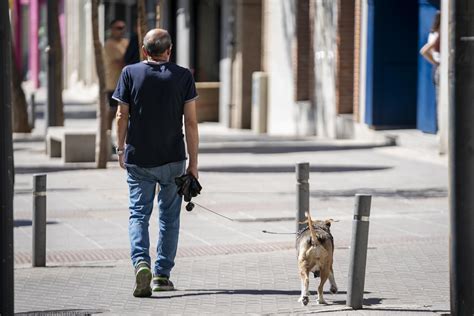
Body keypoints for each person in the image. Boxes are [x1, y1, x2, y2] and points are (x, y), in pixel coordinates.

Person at [112, 28, 199, 297]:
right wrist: (193, 164)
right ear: (169, 51)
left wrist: (120, 148)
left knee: (139, 214)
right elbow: (191, 122)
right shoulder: (183, 76)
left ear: (144, 51)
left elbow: (120, 114)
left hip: (139, 157)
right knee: (169, 218)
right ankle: (162, 275)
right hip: (173, 158)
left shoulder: (130, 73)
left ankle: (141, 264)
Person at [105, 19, 129, 130]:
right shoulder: (109, 44)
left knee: (125, 112)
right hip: (114, 83)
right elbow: (120, 62)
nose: (122, 30)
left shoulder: (126, 42)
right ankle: (108, 134)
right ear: (112, 30)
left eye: (123, 28)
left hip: (127, 84)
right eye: (119, 28)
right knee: (113, 110)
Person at [420, 12, 440, 107]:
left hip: (436, 68)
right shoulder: (437, 36)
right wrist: (435, 62)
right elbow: (424, 51)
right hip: (438, 67)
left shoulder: (432, 34)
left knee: (438, 98)